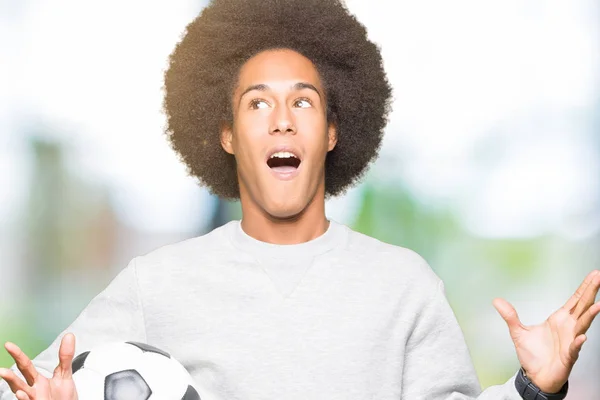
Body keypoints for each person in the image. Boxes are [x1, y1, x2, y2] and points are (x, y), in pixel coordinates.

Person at [1, 0, 599, 399]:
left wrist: (533, 387)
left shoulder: (403, 285)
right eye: (258, 103)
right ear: (227, 135)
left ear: (334, 132)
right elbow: (39, 383)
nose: (282, 121)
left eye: (303, 101)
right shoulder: (153, 284)